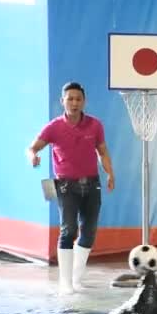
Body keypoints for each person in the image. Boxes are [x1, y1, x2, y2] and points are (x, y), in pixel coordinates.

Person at [27, 82, 115, 295]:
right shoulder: (54, 127)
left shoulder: (95, 125)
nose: (74, 103)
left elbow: (102, 152)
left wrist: (110, 173)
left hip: (92, 183)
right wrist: (33, 157)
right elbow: (32, 147)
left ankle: (76, 278)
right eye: (70, 99)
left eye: (78, 99)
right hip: (66, 186)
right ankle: (65, 282)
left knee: (89, 231)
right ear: (63, 101)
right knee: (69, 230)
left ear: (84, 101)